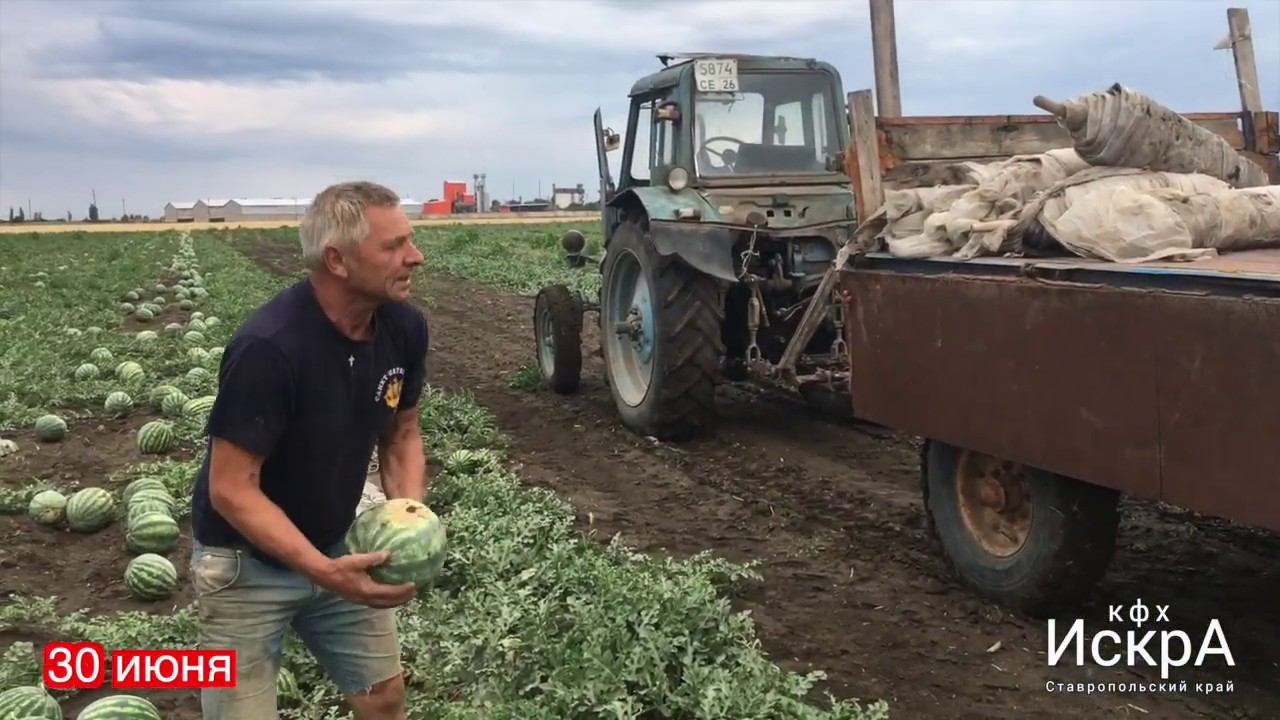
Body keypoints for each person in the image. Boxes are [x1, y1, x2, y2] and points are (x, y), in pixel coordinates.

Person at [188, 181, 429, 719]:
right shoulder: (269, 349)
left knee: (383, 698)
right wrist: (322, 569)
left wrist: (410, 519)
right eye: (394, 246)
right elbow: (230, 489)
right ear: (337, 260)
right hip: (243, 565)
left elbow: (402, 433)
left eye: (409, 240)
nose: (415, 256)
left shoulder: (403, 326)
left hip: (337, 545)